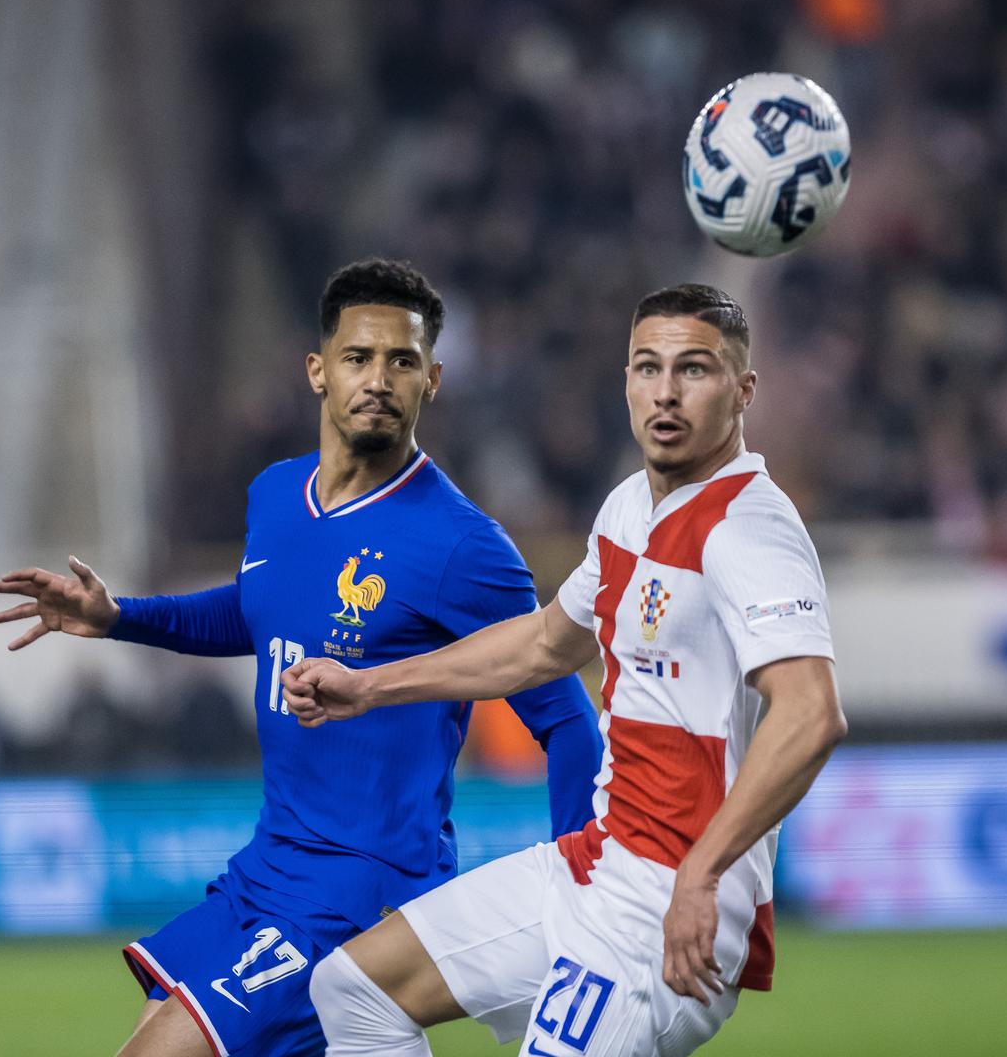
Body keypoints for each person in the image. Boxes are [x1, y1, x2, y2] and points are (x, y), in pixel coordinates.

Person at [0, 258, 603, 1057]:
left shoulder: (461, 546)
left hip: (363, 893)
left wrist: (581, 897)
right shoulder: (275, 494)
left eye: (402, 361)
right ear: (317, 370)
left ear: (432, 380)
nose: (378, 379)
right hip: (266, 868)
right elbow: (258, 611)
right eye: (358, 357)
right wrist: (119, 618)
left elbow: (567, 721)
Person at [284, 284, 847, 1056]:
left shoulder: (747, 528)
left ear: (742, 390)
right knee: (353, 989)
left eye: (693, 370)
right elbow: (544, 644)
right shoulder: (629, 508)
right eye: (647, 368)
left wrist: (702, 875)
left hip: (667, 911)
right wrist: (369, 686)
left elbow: (810, 713)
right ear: (625, 381)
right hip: (593, 866)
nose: (666, 392)